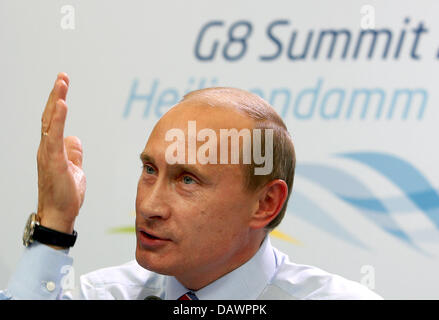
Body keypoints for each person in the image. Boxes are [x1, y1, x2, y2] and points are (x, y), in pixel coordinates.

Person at [1, 73, 382, 300]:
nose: (149, 205)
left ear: (265, 202)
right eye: (150, 169)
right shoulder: (106, 293)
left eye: (187, 179)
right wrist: (54, 222)